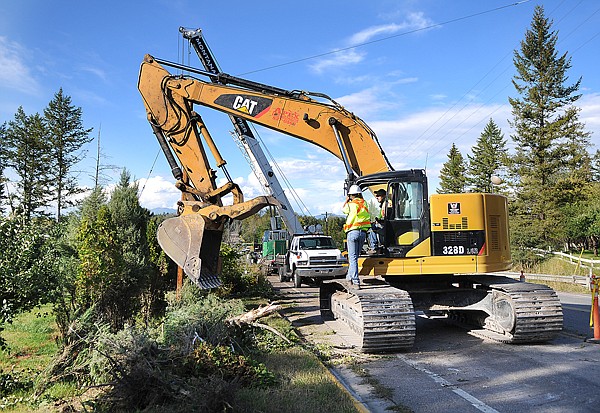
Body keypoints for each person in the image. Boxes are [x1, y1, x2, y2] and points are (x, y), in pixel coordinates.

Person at [342, 184, 371, 288]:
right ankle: (349, 278)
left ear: (351, 195)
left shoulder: (350, 204)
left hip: (352, 232)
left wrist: (346, 200)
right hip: (362, 233)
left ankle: (355, 281)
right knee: (355, 257)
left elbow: (344, 210)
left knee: (352, 258)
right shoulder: (365, 203)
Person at [367, 189, 387, 254]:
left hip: (386, 225)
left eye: (379, 196)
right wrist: (377, 220)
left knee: (371, 228)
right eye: (376, 196)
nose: (377, 197)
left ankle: (373, 248)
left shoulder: (386, 204)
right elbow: (381, 216)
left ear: (383, 196)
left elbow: (386, 217)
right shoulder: (383, 204)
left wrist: (378, 221)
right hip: (384, 224)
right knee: (373, 225)